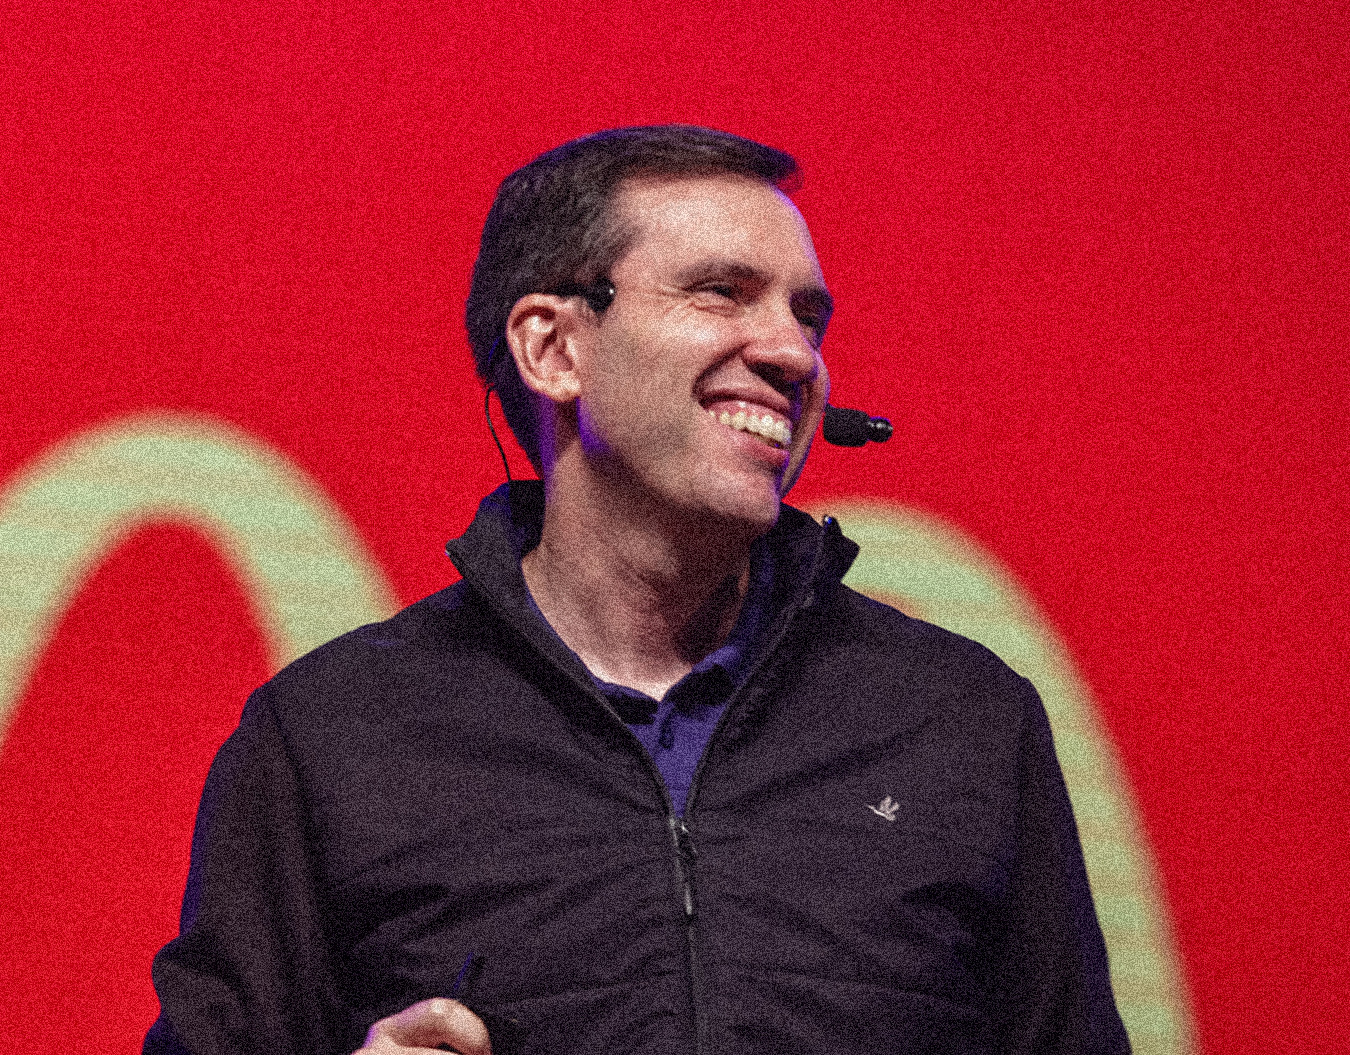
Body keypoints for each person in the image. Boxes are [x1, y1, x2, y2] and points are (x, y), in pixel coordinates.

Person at [145, 126, 1130, 1055]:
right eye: (721, 293)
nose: (793, 353)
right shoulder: (330, 738)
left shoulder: (962, 722)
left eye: (807, 315)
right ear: (553, 349)